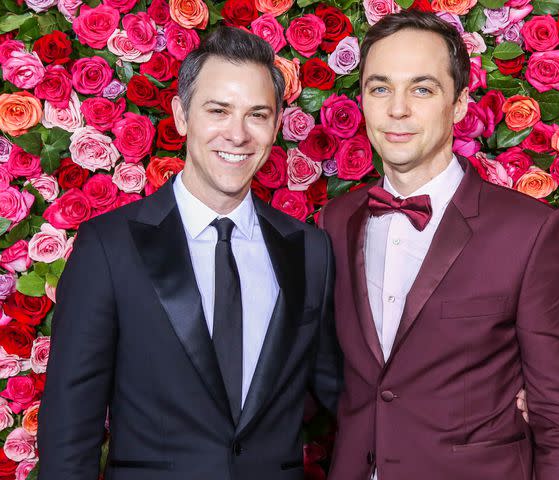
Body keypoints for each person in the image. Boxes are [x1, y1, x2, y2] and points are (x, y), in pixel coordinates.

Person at [37, 26, 342, 480]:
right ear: (182, 116)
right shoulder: (109, 245)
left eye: (257, 115)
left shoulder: (310, 249)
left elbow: (341, 391)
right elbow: (69, 427)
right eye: (218, 110)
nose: (237, 134)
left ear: (276, 125)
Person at [319, 10, 559, 480]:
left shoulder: (530, 232)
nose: (397, 109)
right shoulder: (334, 221)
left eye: (422, 89)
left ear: (461, 104)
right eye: (380, 87)